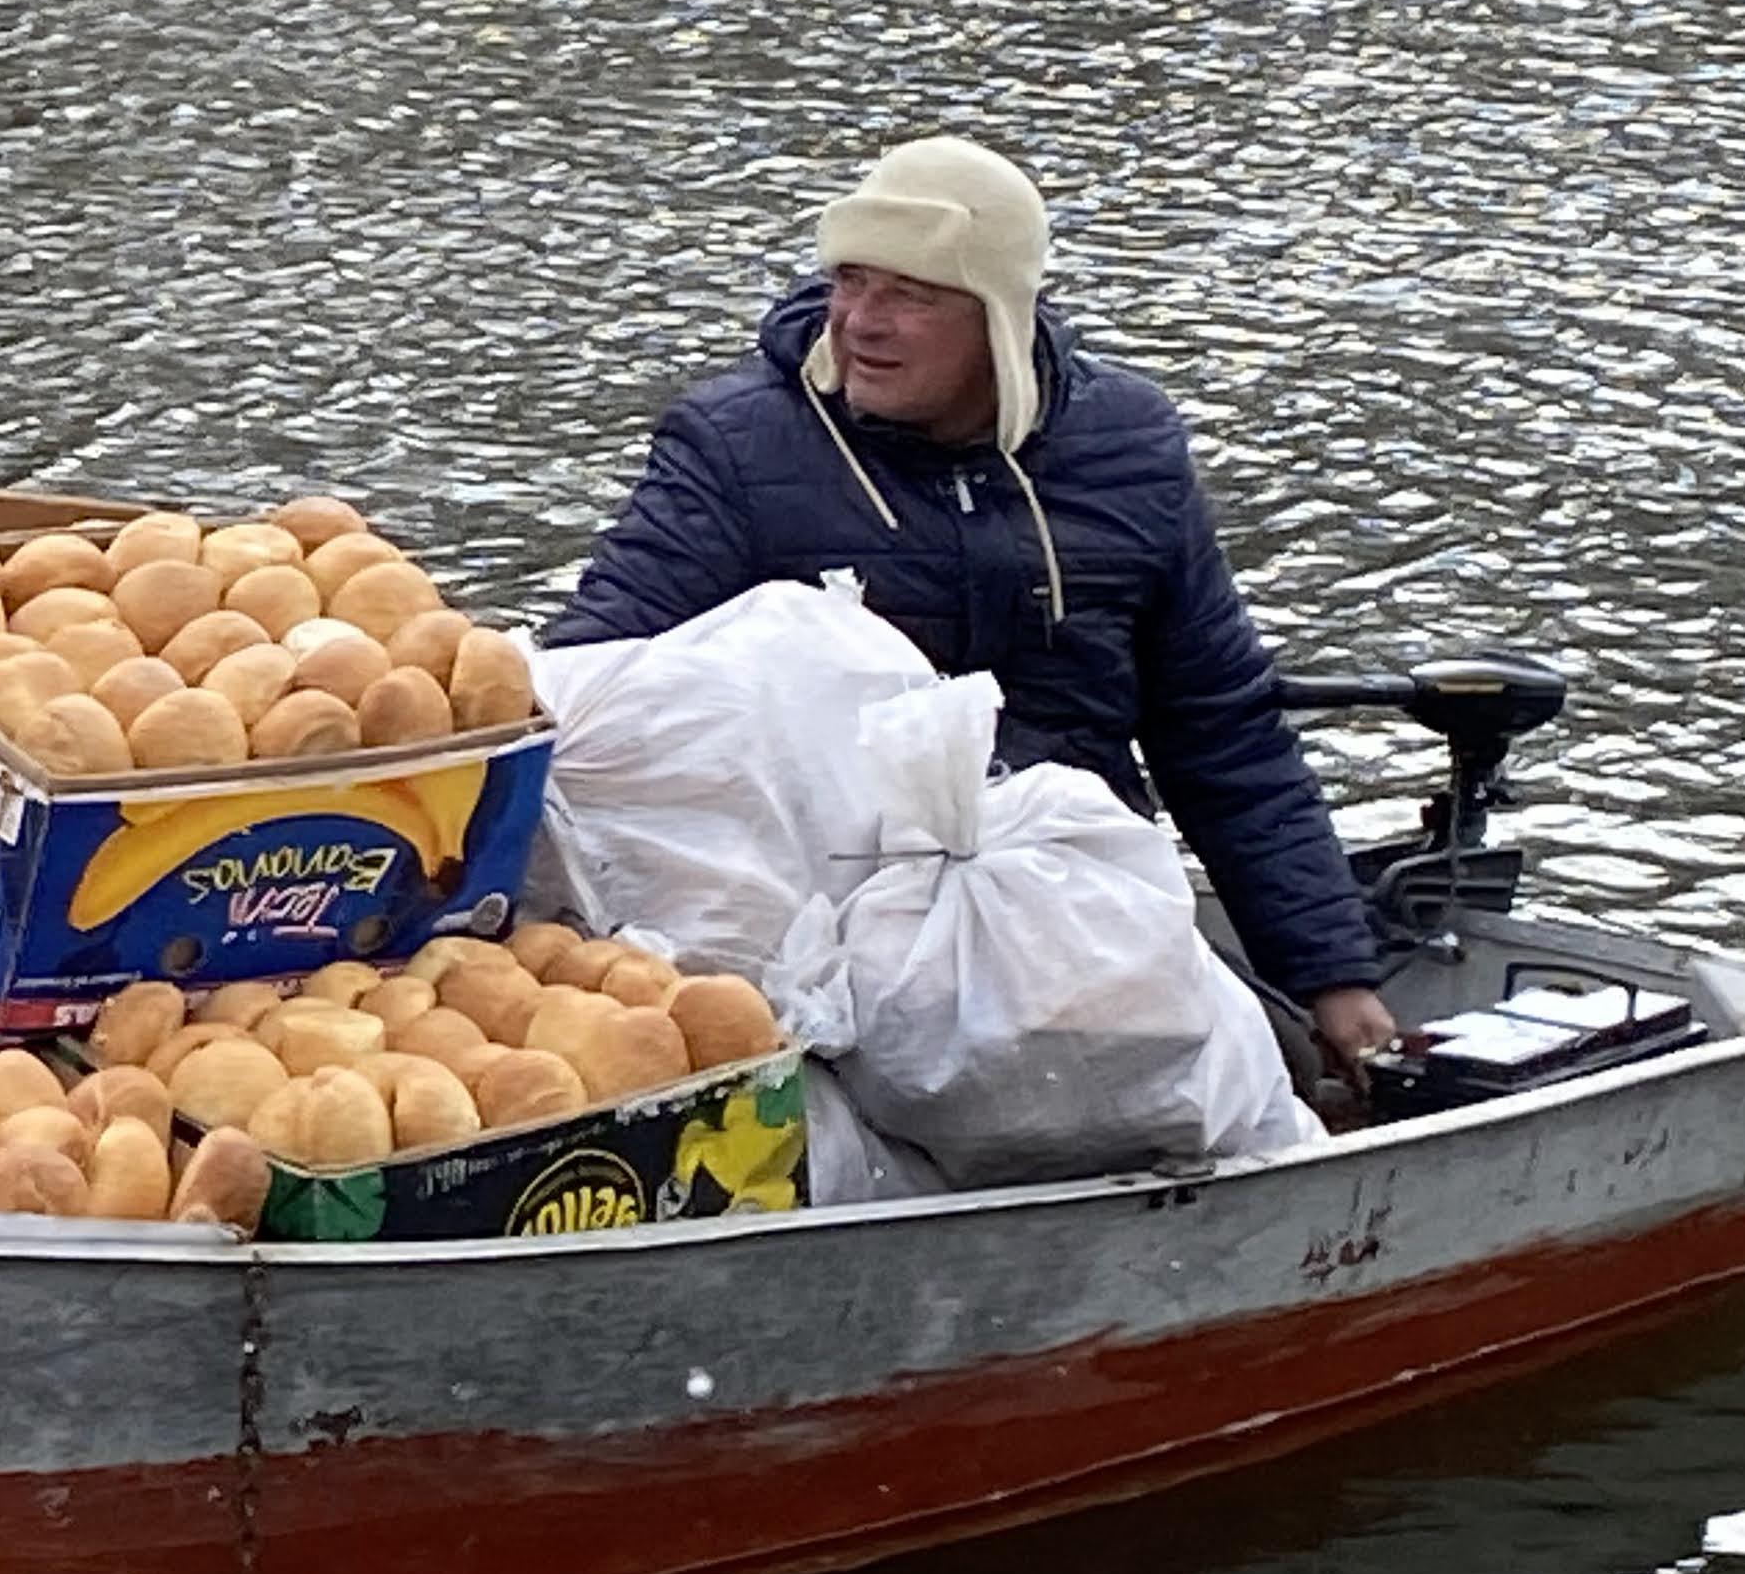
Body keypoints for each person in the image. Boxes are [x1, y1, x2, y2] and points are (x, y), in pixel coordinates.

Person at [545, 134, 1395, 1071]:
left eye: (910, 296)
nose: (862, 322)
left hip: (1082, 905)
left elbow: (1220, 731)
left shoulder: (1128, 448)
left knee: (1280, 1074)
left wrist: (1330, 973)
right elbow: (592, 689)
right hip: (831, 938)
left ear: (998, 316)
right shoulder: (740, 449)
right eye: (850, 282)